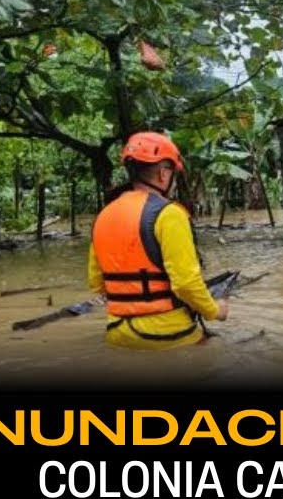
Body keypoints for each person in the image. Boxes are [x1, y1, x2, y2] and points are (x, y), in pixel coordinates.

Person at [88, 132, 227, 349]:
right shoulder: (169, 214)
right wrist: (216, 311)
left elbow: (96, 282)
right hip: (167, 336)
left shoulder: (103, 216)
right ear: (163, 174)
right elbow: (186, 284)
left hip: (117, 332)